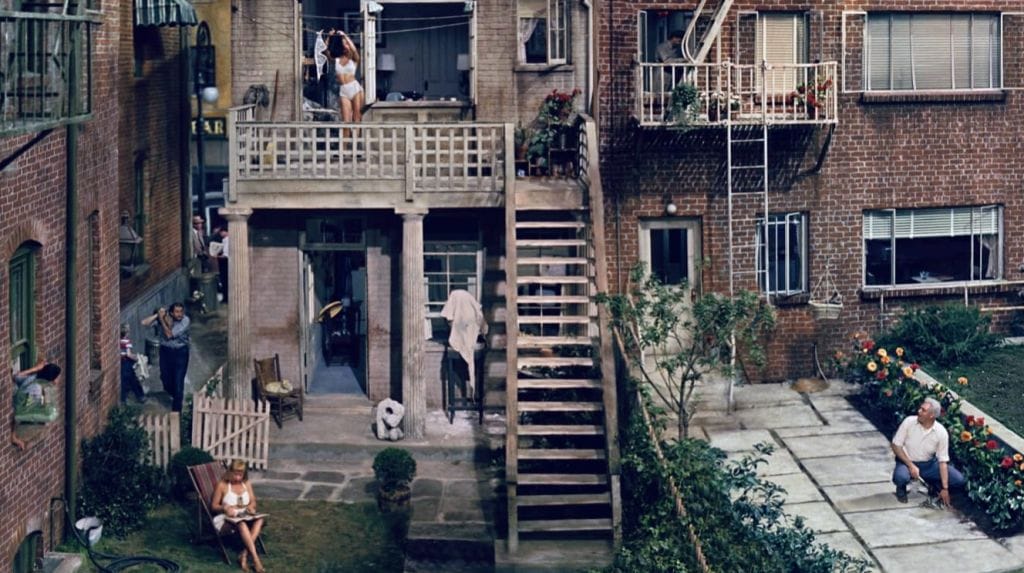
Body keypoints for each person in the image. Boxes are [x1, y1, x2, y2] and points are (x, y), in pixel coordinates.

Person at [891, 397, 965, 505]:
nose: (919, 411)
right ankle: (901, 489)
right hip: (906, 462)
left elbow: (942, 461)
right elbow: (896, 445)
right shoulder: (909, 422)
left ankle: (934, 485)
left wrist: (945, 488)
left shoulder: (941, 432)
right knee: (900, 477)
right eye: (920, 408)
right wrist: (911, 465)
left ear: (932, 415)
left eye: (923, 410)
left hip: (929, 465)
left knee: (958, 480)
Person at [211, 459, 266, 573]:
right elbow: (214, 506)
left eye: (240, 474)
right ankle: (256, 560)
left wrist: (251, 507)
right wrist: (225, 508)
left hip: (244, 514)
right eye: (235, 474)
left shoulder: (246, 483)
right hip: (226, 518)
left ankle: (244, 554)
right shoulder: (222, 485)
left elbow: (253, 501)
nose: (238, 477)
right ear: (230, 472)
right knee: (241, 524)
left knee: (260, 520)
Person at [144, 303, 190, 412]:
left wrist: (161, 319)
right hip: (165, 352)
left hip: (180, 353)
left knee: (178, 381)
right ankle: (176, 395)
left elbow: (169, 335)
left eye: (181, 312)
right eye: (177, 312)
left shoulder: (185, 321)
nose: (180, 314)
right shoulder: (164, 318)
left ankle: (177, 412)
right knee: (165, 379)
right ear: (171, 313)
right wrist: (157, 316)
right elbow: (144, 323)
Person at [10, 361, 61, 450]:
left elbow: (16, 377)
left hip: (19, 404)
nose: (58, 380)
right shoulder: (37, 389)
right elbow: (25, 410)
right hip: (17, 411)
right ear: (52, 378)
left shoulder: (34, 378)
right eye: (57, 377)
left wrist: (36, 369)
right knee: (45, 424)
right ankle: (15, 437)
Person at [332, 31, 363, 124]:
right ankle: (346, 139)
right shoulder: (337, 60)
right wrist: (330, 36)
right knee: (346, 120)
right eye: (344, 43)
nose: (346, 46)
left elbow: (354, 50)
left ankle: (356, 138)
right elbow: (326, 52)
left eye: (347, 44)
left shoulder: (354, 58)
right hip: (343, 89)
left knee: (356, 118)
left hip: (354, 88)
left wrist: (345, 36)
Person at [119, 324, 146, 404]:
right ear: (127, 332)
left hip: (121, 362)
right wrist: (137, 358)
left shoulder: (119, 341)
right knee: (134, 380)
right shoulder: (127, 342)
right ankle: (140, 396)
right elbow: (128, 354)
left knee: (124, 381)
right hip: (127, 363)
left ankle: (123, 399)